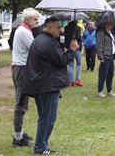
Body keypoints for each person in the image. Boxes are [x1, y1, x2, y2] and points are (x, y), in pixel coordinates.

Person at [23, 17, 79, 154]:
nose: (60, 29)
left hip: (41, 84)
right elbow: (62, 61)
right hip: (47, 85)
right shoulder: (48, 42)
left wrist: (64, 49)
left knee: (44, 117)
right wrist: (72, 50)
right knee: (48, 118)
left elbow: (55, 58)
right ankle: (40, 147)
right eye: (58, 27)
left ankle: (41, 144)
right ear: (49, 27)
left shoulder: (40, 39)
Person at [11, 8, 40, 146]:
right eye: (35, 19)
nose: (37, 21)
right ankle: (17, 138)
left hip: (21, 67)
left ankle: (20, 133)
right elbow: (35, 49)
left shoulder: (24, 30)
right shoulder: (24, 31)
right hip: (22, 68)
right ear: (27, 19)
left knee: (23, 102)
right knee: (21, 104)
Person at [96, 16, 115, 98]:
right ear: (106, 24)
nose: (112, 26)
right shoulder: (101, 33)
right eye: (111, 24)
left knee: (110, 74)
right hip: (105, 57)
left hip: (111, 56)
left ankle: (109, 90)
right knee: (102, 75)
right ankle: (100, 91)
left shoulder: (110, 32)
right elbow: (99, 45)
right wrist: (101, 57)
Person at [64, 21, 83, 86]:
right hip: (76, 47)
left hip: (69, 48)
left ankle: (71, 81)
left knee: (70, 65)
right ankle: (77, 79)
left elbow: (65, 39)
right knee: (78, 64)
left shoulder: (66, 28)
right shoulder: (77, 28)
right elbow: (79, 38)